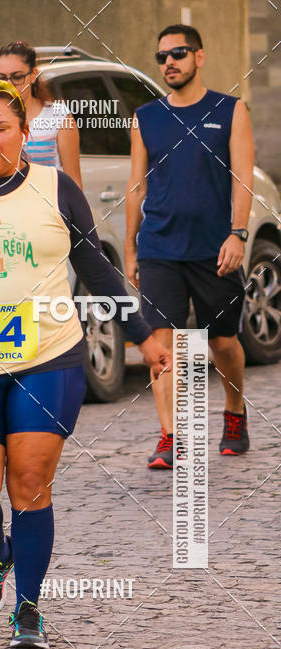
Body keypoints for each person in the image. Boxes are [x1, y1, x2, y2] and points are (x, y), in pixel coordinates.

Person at [0, 81, 171, 649]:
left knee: (28, 484)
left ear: (25, 132)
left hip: (49, 358)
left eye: (0, 127)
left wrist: (141, 334)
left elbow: (96, 270)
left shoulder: (56, 188)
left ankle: (28, 610)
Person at [125, 24, 254, 469]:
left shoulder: (231, 110)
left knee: (223, 342)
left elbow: (242, 178)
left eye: (178, 53)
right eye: (162, 57)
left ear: (199, 57)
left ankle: (234, 413)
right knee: (162, 344)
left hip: (214, 249)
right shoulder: (145, 117)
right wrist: (130, 247)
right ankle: (171, 437)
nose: (169, 63)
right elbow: (136, 187)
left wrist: (237, 233)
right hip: (160, 248)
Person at [0, 41, 83, 189]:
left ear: (33, 75)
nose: (9, 84)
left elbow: (74, 181)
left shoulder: (58, 115)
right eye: (2, 78)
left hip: (49, 206)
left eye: (17, 77)